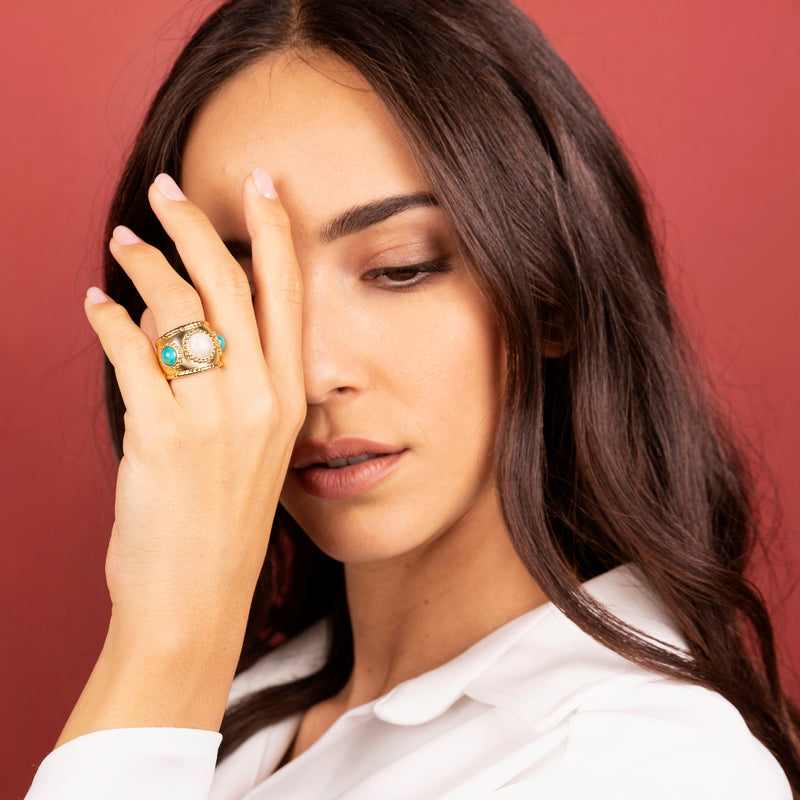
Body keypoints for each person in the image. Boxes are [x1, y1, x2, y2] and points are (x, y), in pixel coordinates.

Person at [24, 0, 800, 797]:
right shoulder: (238, 706)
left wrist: (166, 640)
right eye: (242, 286)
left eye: (401, 267)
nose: (312, 372)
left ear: (552, 299)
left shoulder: (649, 766)